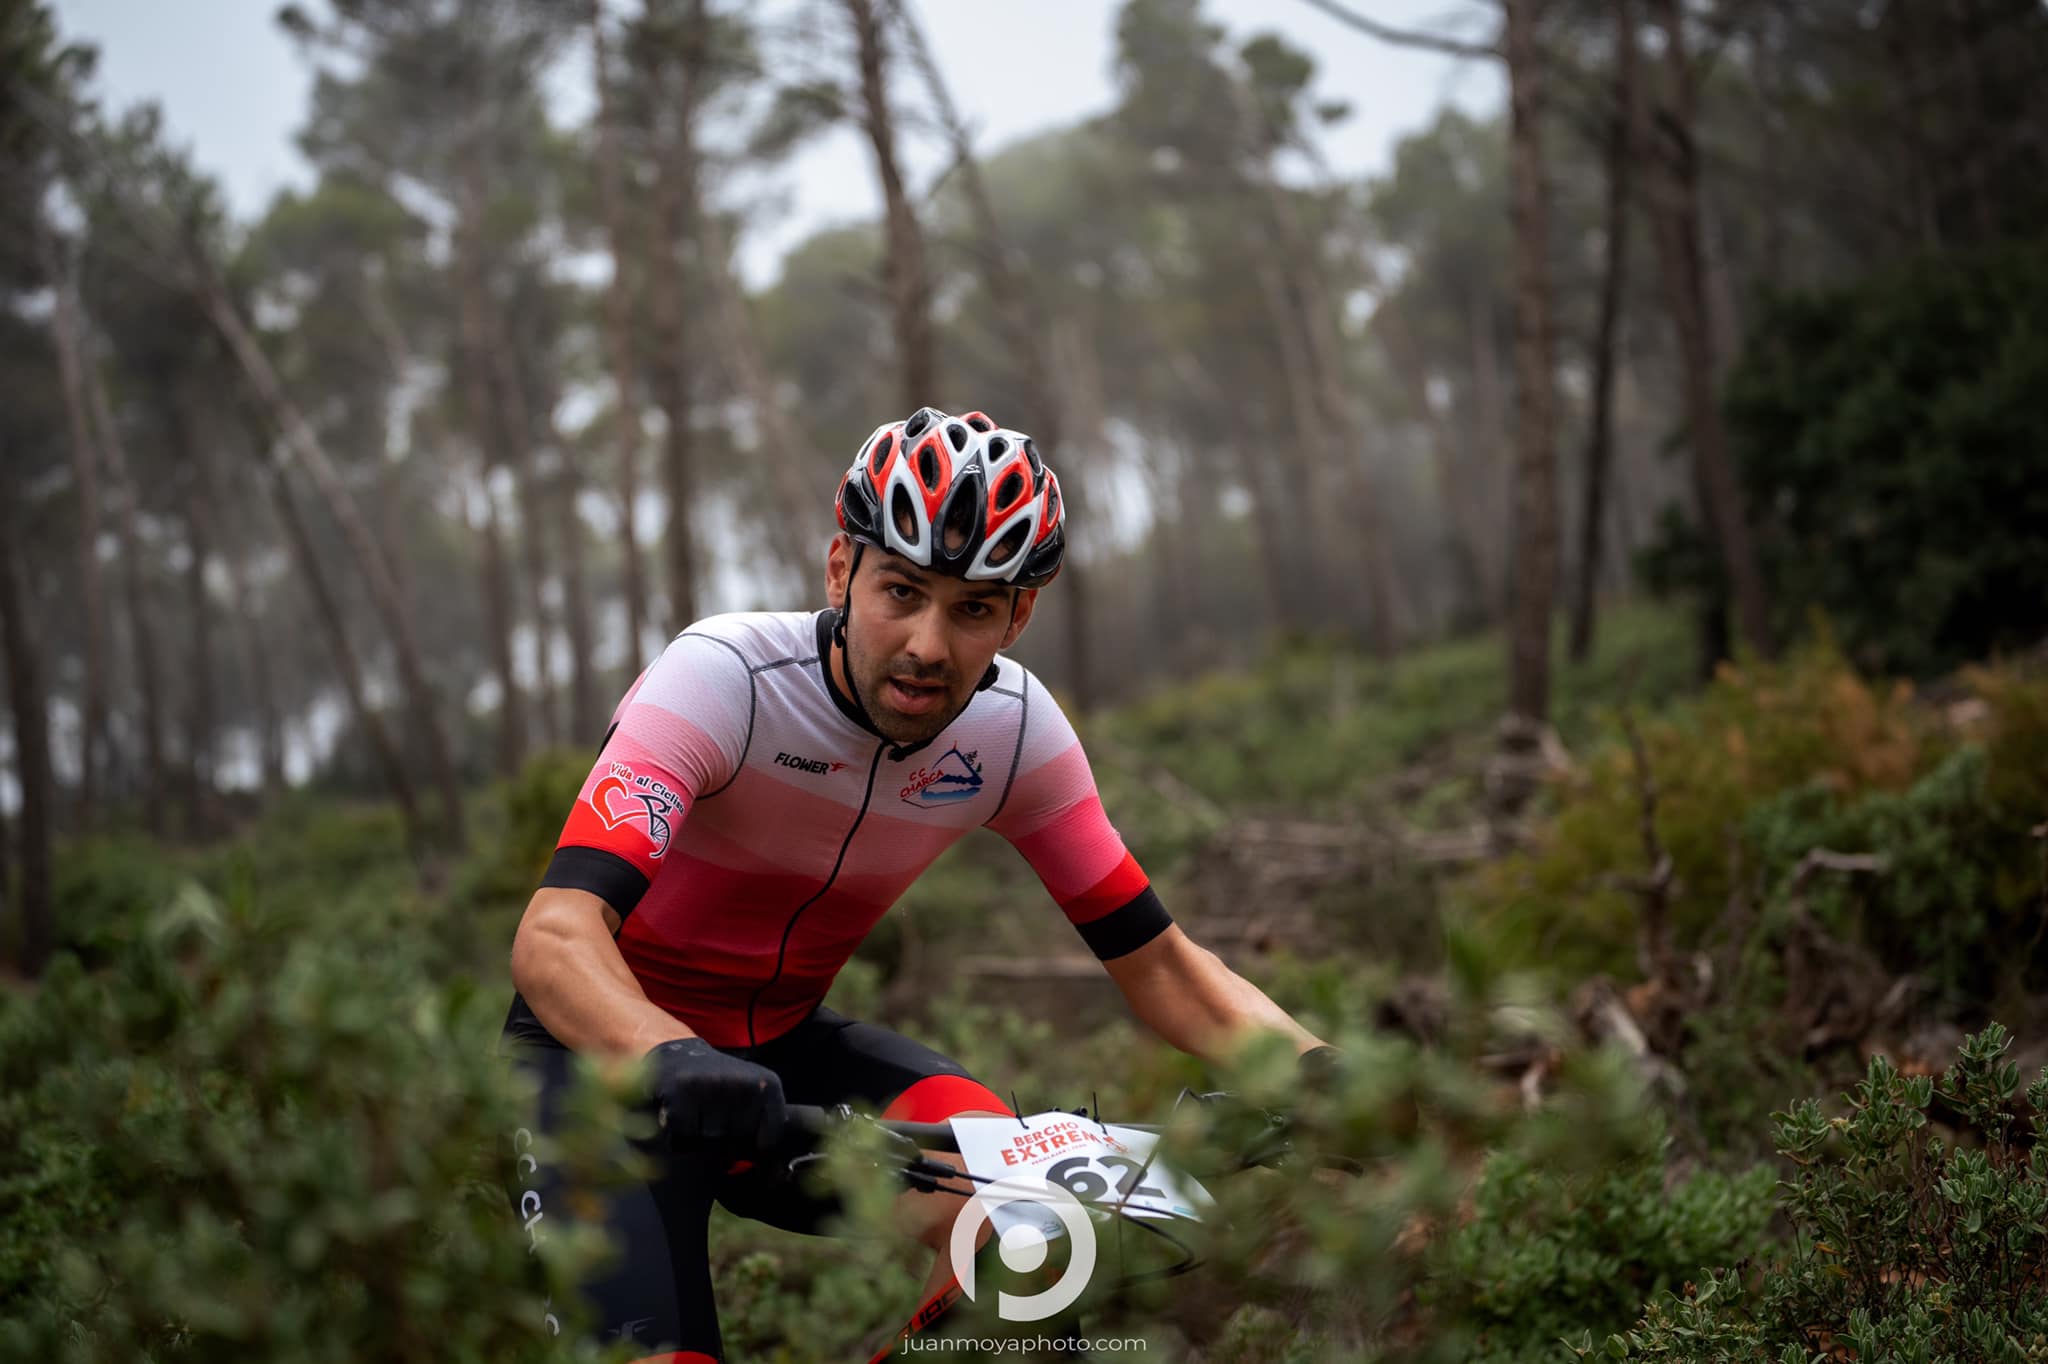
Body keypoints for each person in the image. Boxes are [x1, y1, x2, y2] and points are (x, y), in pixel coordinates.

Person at [501, 407, 1333, 1363]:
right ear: (840, 571)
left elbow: (1165, 969)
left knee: (1038, 1227)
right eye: (902, 591)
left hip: (783, 1062)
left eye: (973, 609)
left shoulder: (1014, 734)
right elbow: (554, 937)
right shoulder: (723, 678)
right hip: (598, 1068)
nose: (929, 646)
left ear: (1016, 617)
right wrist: (667, 1051)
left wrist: (1324, 1077)